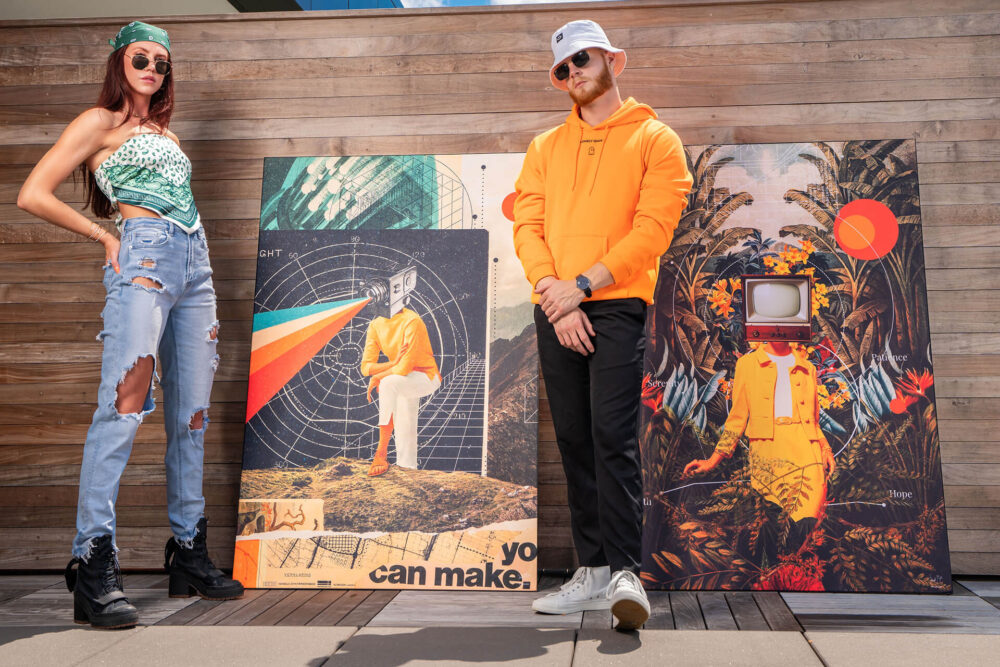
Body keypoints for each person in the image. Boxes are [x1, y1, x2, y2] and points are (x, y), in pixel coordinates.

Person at [17, 21, 243, 629]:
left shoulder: (162, 130)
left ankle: (188, 553)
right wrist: (102, 233)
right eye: (141, 57)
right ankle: (92, 564)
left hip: (195, 263)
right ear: (121, 61)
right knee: (124, 407)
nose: (152, 68)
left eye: (162, 63)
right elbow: (32, 192)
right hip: (142, 256)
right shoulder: (98, 123)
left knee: (191, 413)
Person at [513, 20, 692, 630]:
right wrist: (554, 294)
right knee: (574, 438)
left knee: (611, 436)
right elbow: (527, 228)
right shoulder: (544, 148)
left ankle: (624, 574)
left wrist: (581, 288)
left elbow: (652, 232)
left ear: (614, 59)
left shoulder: (655, 139)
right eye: (561, 69)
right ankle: (589, 573)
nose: (572, 75)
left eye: (581, 60)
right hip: (555, 301)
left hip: (614, 302)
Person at [684, 340, 836, 541]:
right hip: (768, 454)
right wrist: (712, 460)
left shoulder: (806, 366)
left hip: (807, 453)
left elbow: (814, 421)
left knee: (805, 527)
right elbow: (736, 420)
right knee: (777, 531)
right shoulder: (747, 364)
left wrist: (826, 449)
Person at [362, 307, 441, 477]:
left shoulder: (412, 320)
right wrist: (393, 363)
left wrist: (378, 377)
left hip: (426, 376)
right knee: (405, 428)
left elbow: (405, 367)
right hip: (401, 376)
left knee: (388, 383)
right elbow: (366, 367)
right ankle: (409, 471)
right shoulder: (375, 325)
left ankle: (380, 454)